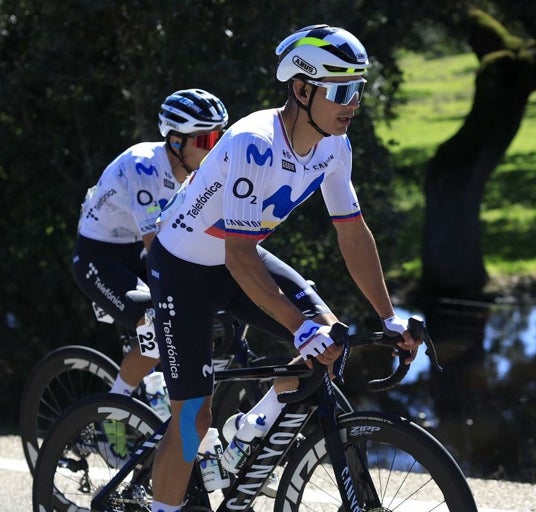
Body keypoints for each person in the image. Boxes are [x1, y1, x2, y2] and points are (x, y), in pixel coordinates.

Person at [145, 25, 423, 512]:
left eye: (358, 89)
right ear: (302, 89)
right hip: (184, 269)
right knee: (192, 418)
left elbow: (352, 233)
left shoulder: (334, 146)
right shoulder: (254, 142)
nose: (354, 103)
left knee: (330, 343)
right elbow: (239, 254)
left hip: (237, 260)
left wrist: (388, 316)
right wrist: (298, 328)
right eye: (342, 91)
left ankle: (248, 433)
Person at [72, 89, 228, 407]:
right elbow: (157, 248)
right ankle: (113, 413)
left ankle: (157, 391)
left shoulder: (198, 170)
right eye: (207, 140)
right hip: (100, 256)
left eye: (220, 138)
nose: (216, 148)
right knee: (160, 326)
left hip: (137, 252)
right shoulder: (143, 166)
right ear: (176, 142)